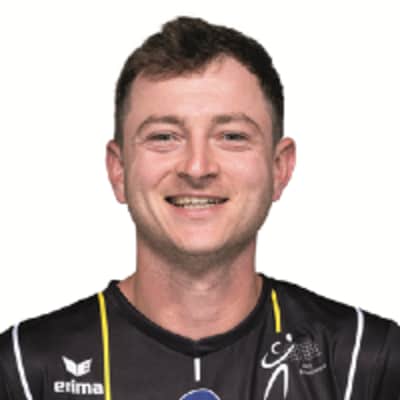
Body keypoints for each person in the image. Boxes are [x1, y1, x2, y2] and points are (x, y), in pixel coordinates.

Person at [0, 15, 399, 400]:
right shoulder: (25, 368)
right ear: (118, 170)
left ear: (280, 167)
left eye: (231, 136)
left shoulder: (365, 360)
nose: (197, 167)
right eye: (164, 137)